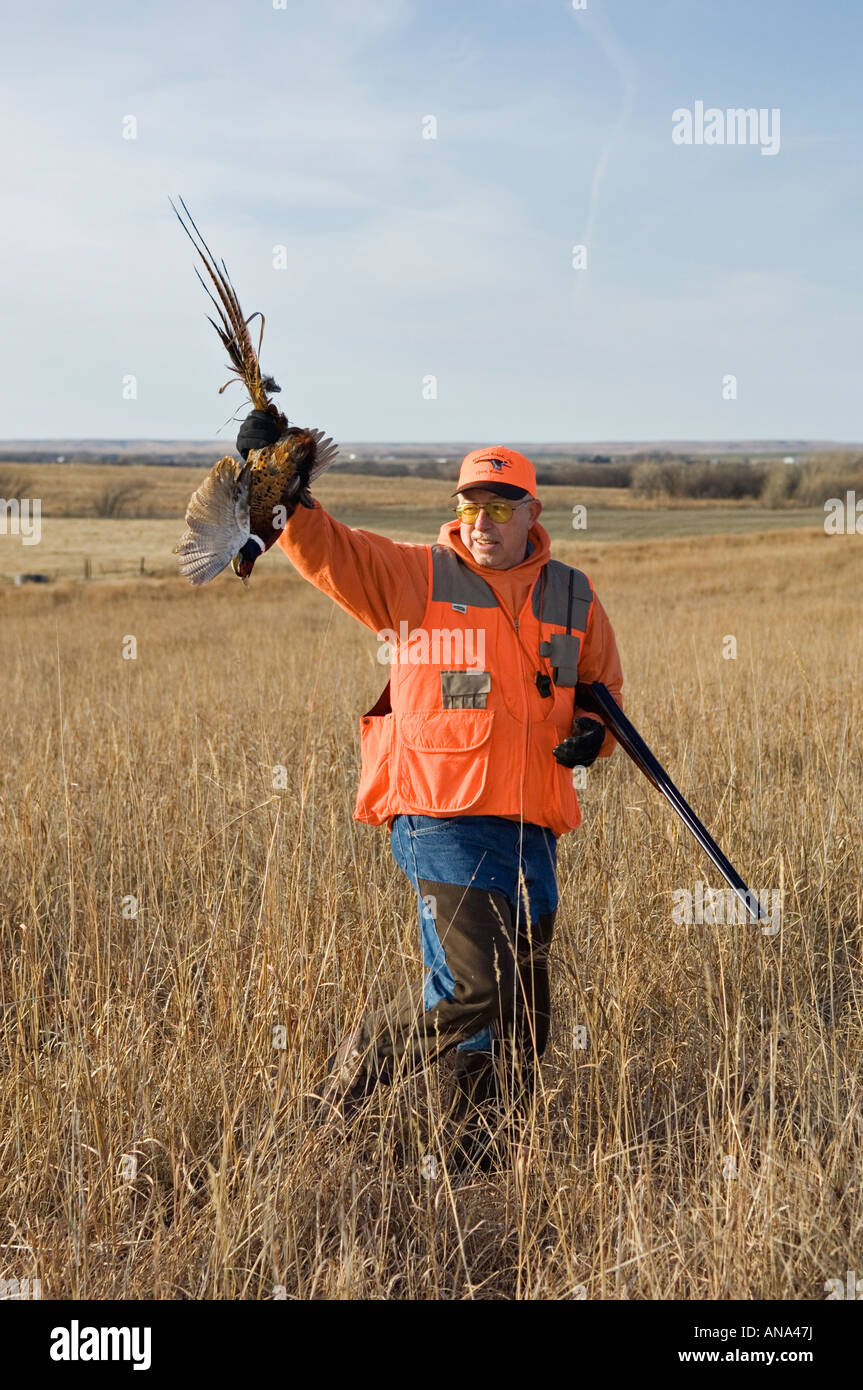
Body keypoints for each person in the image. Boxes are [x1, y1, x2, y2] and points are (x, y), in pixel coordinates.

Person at [237, 413, 624, 1166]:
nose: (483, 520)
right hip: (440, 816)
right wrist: (278, 482)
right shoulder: (417, 578)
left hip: (533, 822)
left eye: (502, 506)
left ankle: (476, 1158)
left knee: (522, 1010)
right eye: (470, 505)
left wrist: (593, 735)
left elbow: (602, 692)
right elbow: (328, 552)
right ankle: (346, 1086)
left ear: (532, 515)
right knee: (475, 989)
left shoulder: (573, 598)